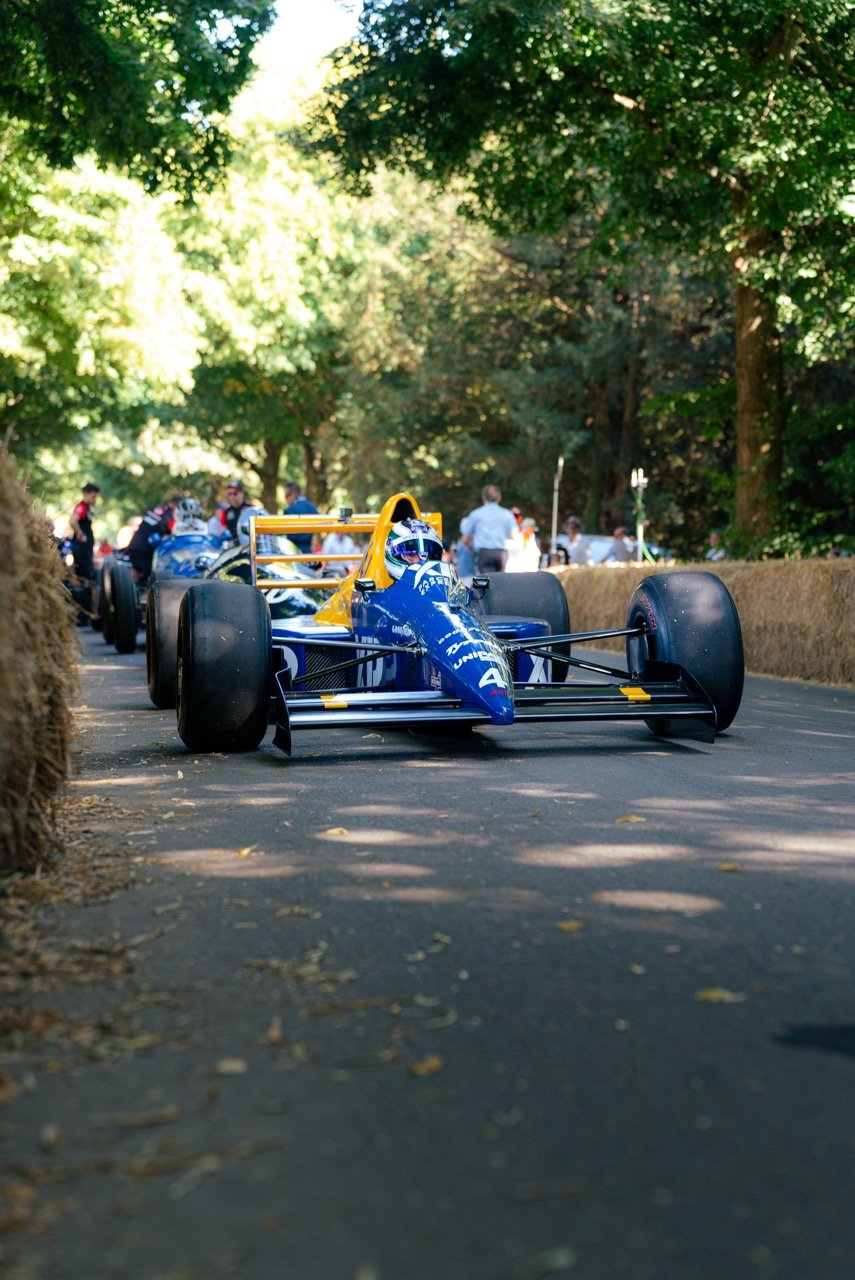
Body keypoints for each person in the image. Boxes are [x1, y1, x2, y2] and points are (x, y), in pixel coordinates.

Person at [459, 483, 518, 574]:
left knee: (486, 583)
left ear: (484, 497)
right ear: (499, 497)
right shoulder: (507, 514)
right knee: (500, 582)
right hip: (501, 553)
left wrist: (471, 546)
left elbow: (466, 532)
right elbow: (513, 535)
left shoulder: (476, 514)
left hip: (484, 553)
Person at [127, 494, 183, 581]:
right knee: (148, 578)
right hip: (149, 549)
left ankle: (129, 590)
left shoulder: (156, 508)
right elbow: (173, 534)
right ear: (177, 506)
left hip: (135, 543)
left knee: (135, 573)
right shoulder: (171, 517)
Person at [69, 482, 101, 614]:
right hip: (81, 550)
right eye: (93, 496)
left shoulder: (86, 508)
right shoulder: (81, 507)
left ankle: (89, 610)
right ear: (86, 494)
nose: (95, 500)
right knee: (85, 579)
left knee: (88, 578)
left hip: (86, 550)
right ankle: (88, 611)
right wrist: (80, 534)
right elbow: (72, 521)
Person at [283, 480, 319, 555]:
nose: (285, 499)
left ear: (293, 494)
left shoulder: (289, 511)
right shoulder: (313, 508)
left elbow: (289, 535)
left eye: (286, 496)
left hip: (294, 552)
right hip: (309, 552)